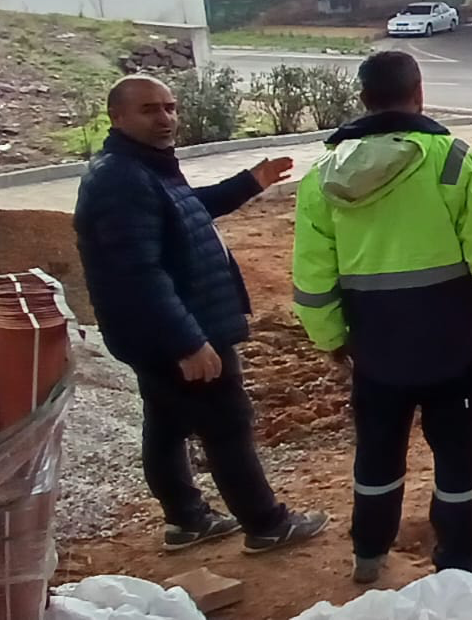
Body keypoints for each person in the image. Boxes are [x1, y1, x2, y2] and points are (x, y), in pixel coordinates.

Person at [290, 51, 472, 584]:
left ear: (362, 100)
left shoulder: (321, 179)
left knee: (378, 451)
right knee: (456, 453)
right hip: (451, 344)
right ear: (419, 92)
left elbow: (313, 276)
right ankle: (457, 553)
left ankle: (368, 552)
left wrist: (331, 338)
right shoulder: (453, 162)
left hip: (375, 348)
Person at [74, 75, 330, 555]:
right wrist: (187, 341)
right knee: (227, 423)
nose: (166, 118)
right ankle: (266, 523)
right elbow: (138, 274)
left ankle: (187, 520)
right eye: (151, 109)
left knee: (167, 424)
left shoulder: (144, 169)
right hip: (176, 331)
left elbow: (187, 211)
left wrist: (249, 183)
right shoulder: (121, 181)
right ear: (117, 117)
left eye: (170, 107)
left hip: (159, 331)